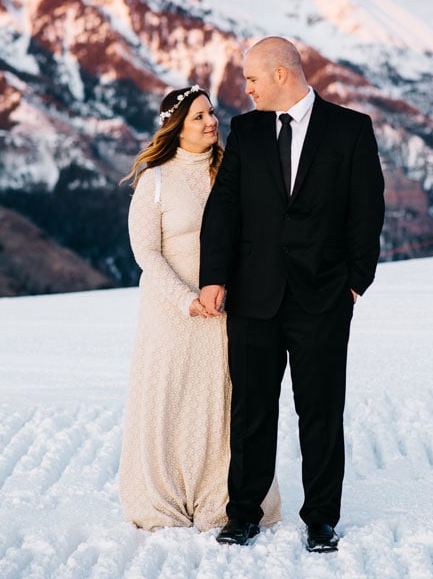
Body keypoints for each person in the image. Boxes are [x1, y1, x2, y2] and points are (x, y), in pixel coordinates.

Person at [199, 37, 385, 551]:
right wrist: (214, 277)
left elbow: (367, 211)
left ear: (281, 75)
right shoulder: (247, 130)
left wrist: (354, 283)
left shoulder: (351, 129)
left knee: (321, 412)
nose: (247, 88)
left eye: (252, 79)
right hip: (253, 299)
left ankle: (321, 519)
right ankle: (243, 515)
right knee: (251, 411)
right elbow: (224, 208)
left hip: (324, 298)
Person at [118, 85, 281, 532]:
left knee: (223, 400)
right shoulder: (155, 181)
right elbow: (147, 254)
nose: (212, 122)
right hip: (173, 310)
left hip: (227, 306)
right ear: (176, 127)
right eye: (199, 117)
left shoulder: (229, 169)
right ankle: (165, 496)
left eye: (211, 113)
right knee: (171, 399)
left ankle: (223, 496)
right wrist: (185, 300)